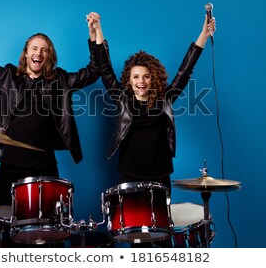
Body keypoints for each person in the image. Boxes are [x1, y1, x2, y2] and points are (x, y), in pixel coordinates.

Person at [0, 0, 101, 208]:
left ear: (49, 56)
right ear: (26, 53)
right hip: (10, 165)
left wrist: (95, 34)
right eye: (33, 48)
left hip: (45, 166)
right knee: (3, 225)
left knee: (48, 229)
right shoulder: (5, 76)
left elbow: (95, 70)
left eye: (44, 50)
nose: (38, 53)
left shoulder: (60, 80)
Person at [86, 11, 216, 193]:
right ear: (129, 80)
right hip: (129, 173)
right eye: (136, 77)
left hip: (160, 174)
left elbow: (185, 71)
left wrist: (203, 35)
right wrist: (98, 29)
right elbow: (105, 69)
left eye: (146, 76)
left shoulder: (165, 99)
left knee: (161, 222)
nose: (141, 81)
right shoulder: (122, 99)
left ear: (153, 79)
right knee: (130, 222)